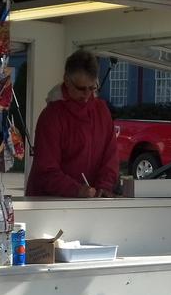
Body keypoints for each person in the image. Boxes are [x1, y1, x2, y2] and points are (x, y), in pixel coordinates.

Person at [25, 49, 118, 198]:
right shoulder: (51, 116)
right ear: (67, 81)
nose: (87, 95)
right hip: (49, 204)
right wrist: (77, 190)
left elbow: (110, 158)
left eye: (92, 88)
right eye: (81, 88)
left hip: (88, 203)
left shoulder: (102, 111)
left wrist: (104, 187)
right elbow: (46, 171)